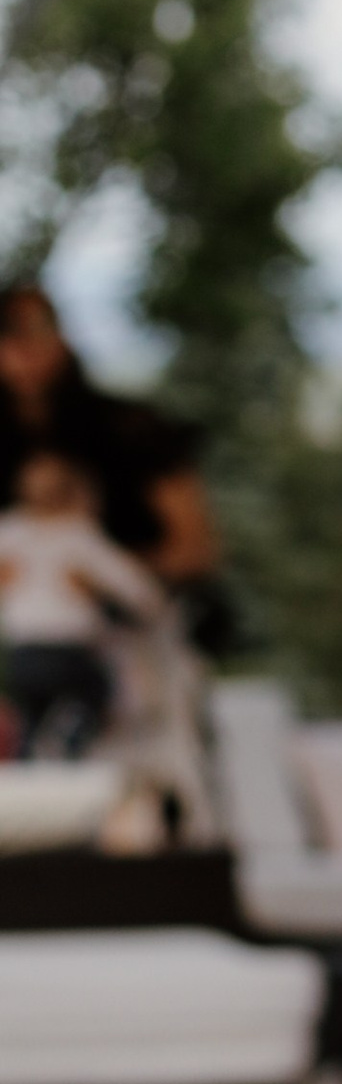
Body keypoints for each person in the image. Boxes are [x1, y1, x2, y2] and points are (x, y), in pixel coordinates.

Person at [0, 285, 225, 636]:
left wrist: (106, 574)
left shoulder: (130, 427)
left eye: (35, 330)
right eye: (8, 333)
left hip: (137, 632)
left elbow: (196, 549)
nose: (22, 349)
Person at [0, 450, 164, 758]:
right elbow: (143, 594)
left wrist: (96, 590)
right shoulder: (73, 535)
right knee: (91, 696)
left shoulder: (74, 535)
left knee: (41, 717)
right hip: (51, 653)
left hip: (37, 655)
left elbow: (142, 594)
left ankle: (43, 755)